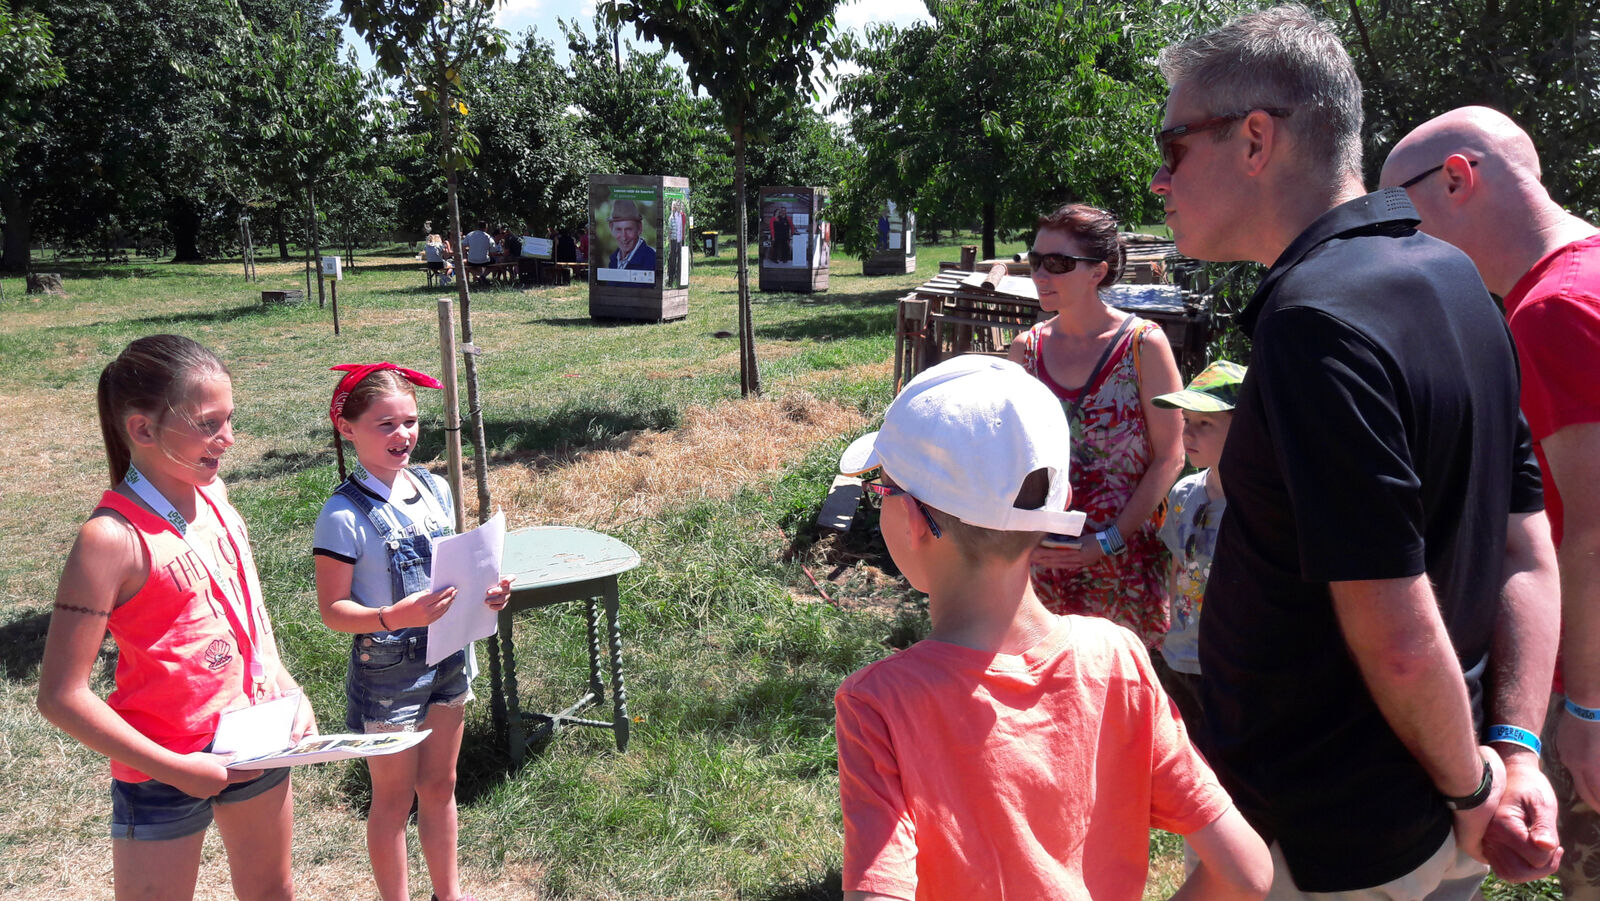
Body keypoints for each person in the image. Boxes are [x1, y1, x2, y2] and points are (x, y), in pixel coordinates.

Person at [1148, 6, 1556, 896]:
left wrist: (1478, 784)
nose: (1158, 181)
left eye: (1173, 146)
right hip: (1440, 809)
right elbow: (1527, 549)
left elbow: (1398, 632)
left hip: (1330, 836)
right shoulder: (1453, 275)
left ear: (1255, 139)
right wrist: (1514, 753)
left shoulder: (1315, 326)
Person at [834, 354, 1271, 901]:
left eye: (882, 488)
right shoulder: (1117, 657)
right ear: (1057, 504)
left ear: (915, 519)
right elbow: (1249, 873)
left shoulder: (879, 705)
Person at [1383, 106, 1591, 888]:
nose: (1397, 244)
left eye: (1401, 215)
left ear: (1458, 179)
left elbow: (1589, 532)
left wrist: (1587, 713)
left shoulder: (1550, 311)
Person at [36, 334, 316, 900]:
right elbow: (60, 696)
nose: (229, 440)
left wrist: (286, 687)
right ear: (142, 429)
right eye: (210, 424)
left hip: (253, 744)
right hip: (159, 772)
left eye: (229, 420)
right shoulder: (109, 539)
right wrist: (178, 769)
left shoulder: (214, 496)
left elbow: (251, 620)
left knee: (273, 891)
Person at [313, 363, 512, 901]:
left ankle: (448, 894)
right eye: (385, 424)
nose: (403, 435)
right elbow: (333, 610)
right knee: (394, 800)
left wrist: (487, 590)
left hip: (449, 654)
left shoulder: (435, 488)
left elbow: (454, 568)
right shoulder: (342, 515)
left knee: (440, 785)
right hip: (390, 675)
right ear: (346, 428)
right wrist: (393, 617)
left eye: (410, 421)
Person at [1007, 202, 1185, 649]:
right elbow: (1012, 455)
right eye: (1035, 260)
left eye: (1058, 263)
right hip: (1043, 562)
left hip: (1121, 564)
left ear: (1097, 272)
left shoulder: (1143, 345)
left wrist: (1106, 541)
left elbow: (1171, 456)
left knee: (1118, 696)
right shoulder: (1025, 351)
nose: (1040, 275)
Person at [1149, 359, 1245, 731]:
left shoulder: (1263, 506)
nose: (1189, 434)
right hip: (1181, 657)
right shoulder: (1184, 493)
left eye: (1205, 424)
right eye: (1187, 421)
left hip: (1236, 665)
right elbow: (1176, 568)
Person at [605, 199, 656, 273]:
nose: (624, 237)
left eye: (629, 229)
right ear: (611, 228)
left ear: (639, 228)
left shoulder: (653, 260)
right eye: (618, 229)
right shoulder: (613, 261)